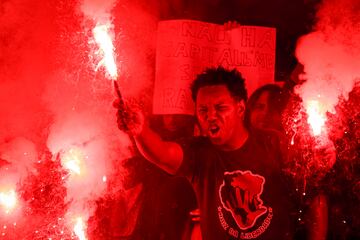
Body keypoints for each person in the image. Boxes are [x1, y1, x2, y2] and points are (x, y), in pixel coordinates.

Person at [115, 66, 292, 239]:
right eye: (203, 110)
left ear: (240, 108)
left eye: (220, 108)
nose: (211, 116)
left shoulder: (274, 143)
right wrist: (140, 131)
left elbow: (311, 196)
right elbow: (162, 153)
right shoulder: (199, 153)